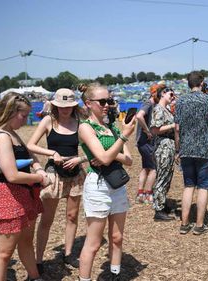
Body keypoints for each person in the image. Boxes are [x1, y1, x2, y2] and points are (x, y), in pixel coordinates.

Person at [0, 92, 51, 281]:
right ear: (10, 112)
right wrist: (38, 178)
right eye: (23, 116)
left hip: (25, 194)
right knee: (4, 253)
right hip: (10, 197)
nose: (26, 120)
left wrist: (38, 167)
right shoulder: (1, 137)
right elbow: (12, 175)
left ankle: (34, 277)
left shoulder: (12, 133)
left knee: (26, 242)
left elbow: (30, 155)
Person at [77, 83, 135, 281]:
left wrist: (112, 154)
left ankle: (114, 275)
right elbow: (102, 159)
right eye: (102, 101)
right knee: (93, 243)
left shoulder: (111, 127)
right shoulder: (85, 127)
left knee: (117, 237)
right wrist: (124, 138)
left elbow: (129, 160)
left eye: (109, 101)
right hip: (98, 185)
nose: (107, 105)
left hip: (117, 184)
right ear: (88, 103)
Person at [27, 88, 87, 273]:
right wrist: (52, 153)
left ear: (74, 106)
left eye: (69, 105)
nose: (65, 109)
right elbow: (30, 145)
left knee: (72, 216)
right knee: (47, 219)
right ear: (55, 105)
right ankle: (38, 259)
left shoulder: (80, 123)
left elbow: (93, 148)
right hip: (53, 175)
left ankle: (68, 254)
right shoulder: (48, 121)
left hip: (75, 174)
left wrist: (80, 159)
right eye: (62, 105)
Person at [175, 71, 208, 235]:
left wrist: (177, 149)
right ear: (202, 83)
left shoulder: (181, 101)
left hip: (186, 148)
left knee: (188, 186)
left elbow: (177, 128)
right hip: (205, 149)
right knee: (203, 187)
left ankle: (184, 223)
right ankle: (199, 224)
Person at [150, 86, 177, 221]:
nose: (173, 96)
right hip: (163, 146)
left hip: (168, 145)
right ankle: (158, 209)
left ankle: (162, 203)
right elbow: (155, 129)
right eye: (171, 94)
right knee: (162, 177)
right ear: (163, 94)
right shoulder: (159, 109)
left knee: (166, 176)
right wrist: (173, 126)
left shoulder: (165, 109)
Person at [135, 87, 157, 204]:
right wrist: (147, 131)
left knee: (146, 168)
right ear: (153, 93)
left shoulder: (149, 104)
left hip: (141, 142)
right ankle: (148, 194)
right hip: (145, 142)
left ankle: (140, 193)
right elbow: (139, 116)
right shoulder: (149, 104)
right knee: (154, 168)